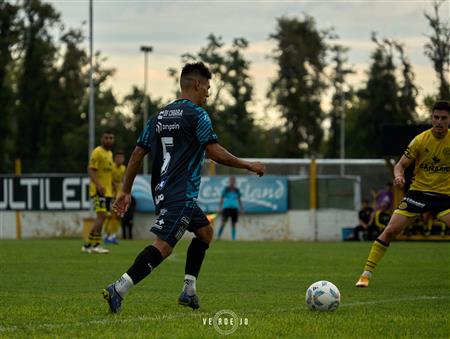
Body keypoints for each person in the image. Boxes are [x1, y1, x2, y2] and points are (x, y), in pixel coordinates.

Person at [102, 62, 265, 313]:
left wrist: (125, 190)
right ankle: (119, 288)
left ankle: (189, 290)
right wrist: (247, 165)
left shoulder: (158, 117)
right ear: (197, 84)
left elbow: (137, 153)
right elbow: (214, 152)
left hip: (164, 191)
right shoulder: (197, 115)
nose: (208, 93)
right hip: (181, 194)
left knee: (205, 232)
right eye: (208, 87)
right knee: (164, 247)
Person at [356, 100, 450, 287]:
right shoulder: (420, 140)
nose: (439, 122)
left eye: (444, 118)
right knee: (390, 230)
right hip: (418, 193)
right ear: (431, 118)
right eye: (436, 117)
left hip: (445, 197)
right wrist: (398, 177)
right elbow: (400, 165)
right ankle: (366, 274)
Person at [82, 131, 114, 254]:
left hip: (108, 192)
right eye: (106, 138)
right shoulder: (97, 152)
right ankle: (95, 245)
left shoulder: (110, 153)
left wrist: (112, 186)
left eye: (111, 138)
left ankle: (87, 245)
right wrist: (99, 185)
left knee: (102, 217)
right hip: (99, 190)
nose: (109, 140)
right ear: (101, 139)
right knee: (101, 217)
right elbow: (90, 170)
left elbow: (106, 174)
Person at [103, 151, 126, 244]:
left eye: (121, 158)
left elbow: (124, 180)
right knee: (110, 215)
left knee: (118, 216)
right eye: (118, 158)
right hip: (111, 194)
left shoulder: (123, 168)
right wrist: (114, 186)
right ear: (115, 158)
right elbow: (109, 179)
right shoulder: (111, 167)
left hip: (120, 194)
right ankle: (106, 234)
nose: (120, 159)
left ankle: (113, 235)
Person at [217, 176, 243, 240]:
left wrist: (241, 208)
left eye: (233, 181)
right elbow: (222, 198)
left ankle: (233, 239)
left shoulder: (237, 190)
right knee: (223, 222)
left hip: (234, 208)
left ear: (235, 182)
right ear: (229, 182)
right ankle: (218, 237)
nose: (232, 183)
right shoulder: (226, 189)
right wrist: (220, 207)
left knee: (233, 224)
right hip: (227, 208)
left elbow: (239, 199)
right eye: (231, 181)